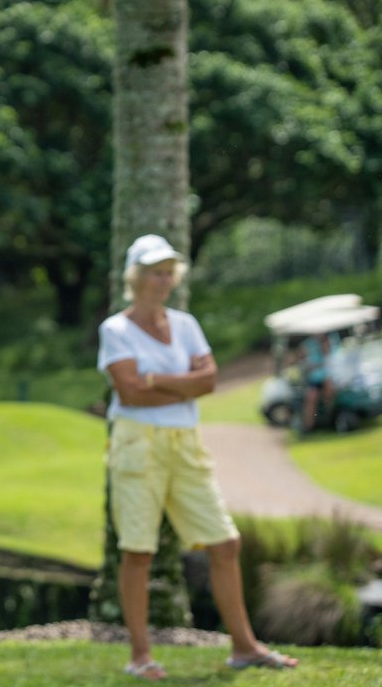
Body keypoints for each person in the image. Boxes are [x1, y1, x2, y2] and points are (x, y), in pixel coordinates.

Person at [97, 234, 298, 681]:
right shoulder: (115, 329)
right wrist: (178, 380)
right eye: (154, 271)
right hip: (137, 443)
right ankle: (140, 656)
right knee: (138, 551)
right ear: (135, 277)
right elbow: (128, 391)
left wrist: (153, 379)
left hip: (184, 442)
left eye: (169, 271)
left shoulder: (185, 324)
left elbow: (208, 381)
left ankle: (244, 647)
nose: (163, 280)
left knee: (225, 543)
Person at [299, 332, 339, 433]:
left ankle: (331, 417)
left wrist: (324, 346)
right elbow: (304, 362)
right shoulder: (307, 344)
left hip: (330, 376)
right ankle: (308, 425)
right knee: (311, 396)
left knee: (329, 388)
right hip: (314, 379)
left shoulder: (332, 339)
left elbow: (332, 357)